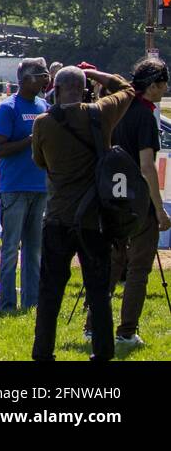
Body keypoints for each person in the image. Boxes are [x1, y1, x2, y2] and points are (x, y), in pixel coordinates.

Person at [30, 66, 138, 362]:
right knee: (99, 293)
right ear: (84, 88)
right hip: (94, 220)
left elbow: (40, 162)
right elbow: (127, 88)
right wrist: (98, 74)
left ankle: (43, 353)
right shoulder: (99, 113)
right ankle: (103, 353)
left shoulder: (43, 123)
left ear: (56, 89)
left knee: (49, 293)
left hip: (57, 218)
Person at [99, 57, 171, 348]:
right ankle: (127, 331)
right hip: (138, 202)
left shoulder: (114, 108)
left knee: (110, 266)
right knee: (139, 269)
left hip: (111, 198)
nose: (165, 90)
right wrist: (159, 208)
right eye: (163, 85)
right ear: (152, 85)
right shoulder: (144, 115)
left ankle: (94, 326)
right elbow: (146, 166)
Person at [0, 57, 50, 311]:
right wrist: (30, 139)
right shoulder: (8, 108)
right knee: (10, 251)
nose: (46, 79)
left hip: (40, 188)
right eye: (41, 75)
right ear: (25, 79)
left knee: (34, 251)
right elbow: (0, 149)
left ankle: (32, 303)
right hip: (14, 189)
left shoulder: (44, 106)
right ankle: (7, 304)